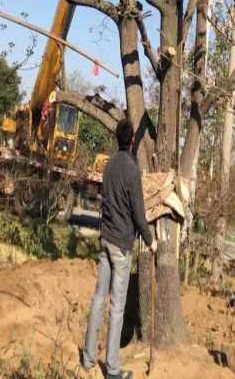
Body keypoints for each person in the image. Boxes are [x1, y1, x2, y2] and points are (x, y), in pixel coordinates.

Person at [82, 118, 156, 379]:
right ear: (133, 140)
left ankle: (88, 357)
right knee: (117, 308)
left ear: (117, 139)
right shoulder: (132, 169)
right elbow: (138, 212)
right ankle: (112, 369)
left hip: (105, 239)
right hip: (122, 245)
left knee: (99, 298)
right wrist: (151, 240)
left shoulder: (109, 164)